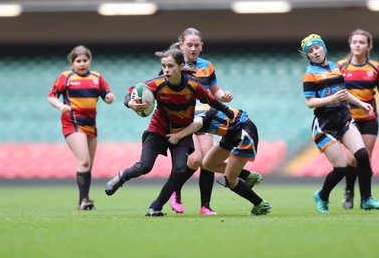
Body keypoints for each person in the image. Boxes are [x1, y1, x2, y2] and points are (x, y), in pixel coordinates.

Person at [104, 48, 235, 216]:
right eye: (163, 66)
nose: (166, 70)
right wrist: (131, 103)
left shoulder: (193, 86)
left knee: (180, 170)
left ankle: (155, 206)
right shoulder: (156, 84)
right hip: (158, 130)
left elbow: (212, 101)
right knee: (145, 167)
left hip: (181, 132)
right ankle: (122, 177)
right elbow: (130, 94)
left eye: (170, 66)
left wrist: (230, 114)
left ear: (181, 66)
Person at [169, 28, 262, 215]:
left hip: (205, 117)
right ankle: (175, 191)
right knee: (194, 160)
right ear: (181, 45)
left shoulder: (207, 66)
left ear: (201, 46)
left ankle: (205, 206)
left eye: (196, 45)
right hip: (184, 118)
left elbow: (215, 91)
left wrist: (223, 96)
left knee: (206, 162)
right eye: (189, 45)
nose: (193, 48)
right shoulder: (173, 64)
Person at [300, 34, 379, 213]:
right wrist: (331, 98)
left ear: (323, 47)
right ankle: (322, 196)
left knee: (362, 155)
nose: (315, 52)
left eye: (317, 48)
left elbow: (343, 93)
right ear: (307, 56)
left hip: (344, 119)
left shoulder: (335, 67)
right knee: (341, 169)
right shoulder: (310, 75)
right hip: (325, 126)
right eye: (310, 51)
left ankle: (367, 199)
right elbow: (310, 103)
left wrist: (361, 103)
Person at [167, 106, 271, 215]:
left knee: (229, 179)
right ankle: (247, 176)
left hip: (243, 132)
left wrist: (178, 136)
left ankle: (260, 205)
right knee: (208, 164)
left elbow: (198, 123)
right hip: (229, 134)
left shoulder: (193, 111)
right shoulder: (188, 111)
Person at [48, 45, 115, 210]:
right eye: (78, 61)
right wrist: (60, 106)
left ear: (90, 61)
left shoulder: (97, 77)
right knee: (83, 161)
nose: (82, 64)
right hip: (72, 122)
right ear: (72, 62)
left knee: (88, 165)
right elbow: (51, 96)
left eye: (85, 60)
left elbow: (106, 95)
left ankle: (82, 201)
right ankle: (85, 200)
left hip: (91, 124)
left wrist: (109, 97)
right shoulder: (66, 77)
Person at [337, 29, 379, 209]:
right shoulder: (340, 67)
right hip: (347, 121)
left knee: (365, 158)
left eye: (361, 42)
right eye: (354, 42)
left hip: (369, 119)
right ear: (350, 44)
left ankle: (365, 199)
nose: (358, 45)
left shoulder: (376, 68)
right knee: (352, 159)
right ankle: (348, 191)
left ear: (368, 46)